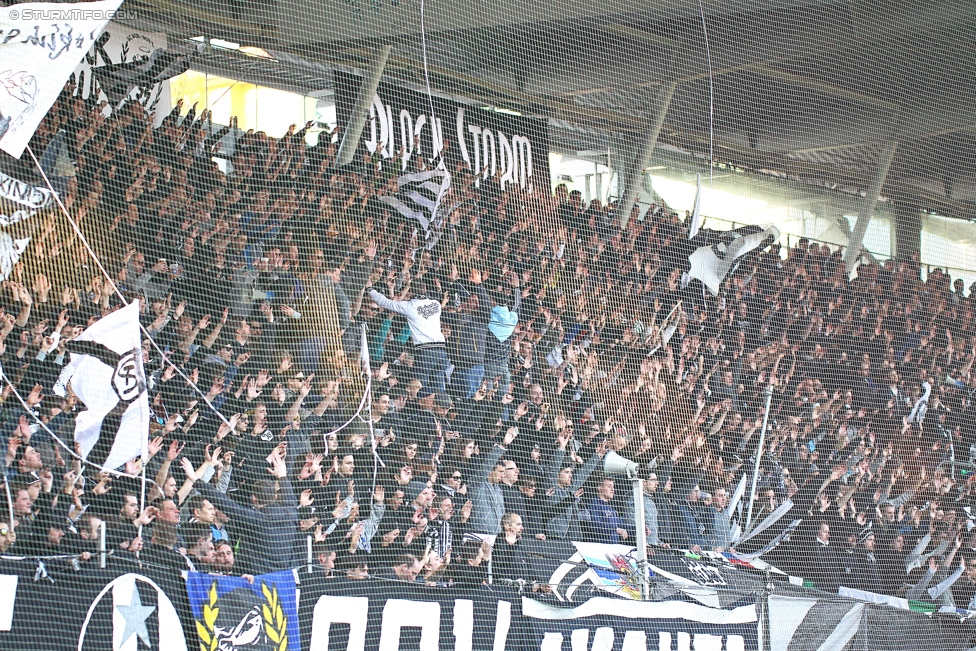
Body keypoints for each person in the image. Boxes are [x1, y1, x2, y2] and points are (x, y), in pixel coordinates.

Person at [585, 474, 628, 544]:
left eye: (613, 487)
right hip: (600, 548)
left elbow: (620, 525)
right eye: (609, 486)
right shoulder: (594, 505)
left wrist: (638, 529)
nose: (612, 490)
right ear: (599, 488)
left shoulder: (611, 508)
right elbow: (596, 525)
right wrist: (616, 529)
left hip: (613, 548)